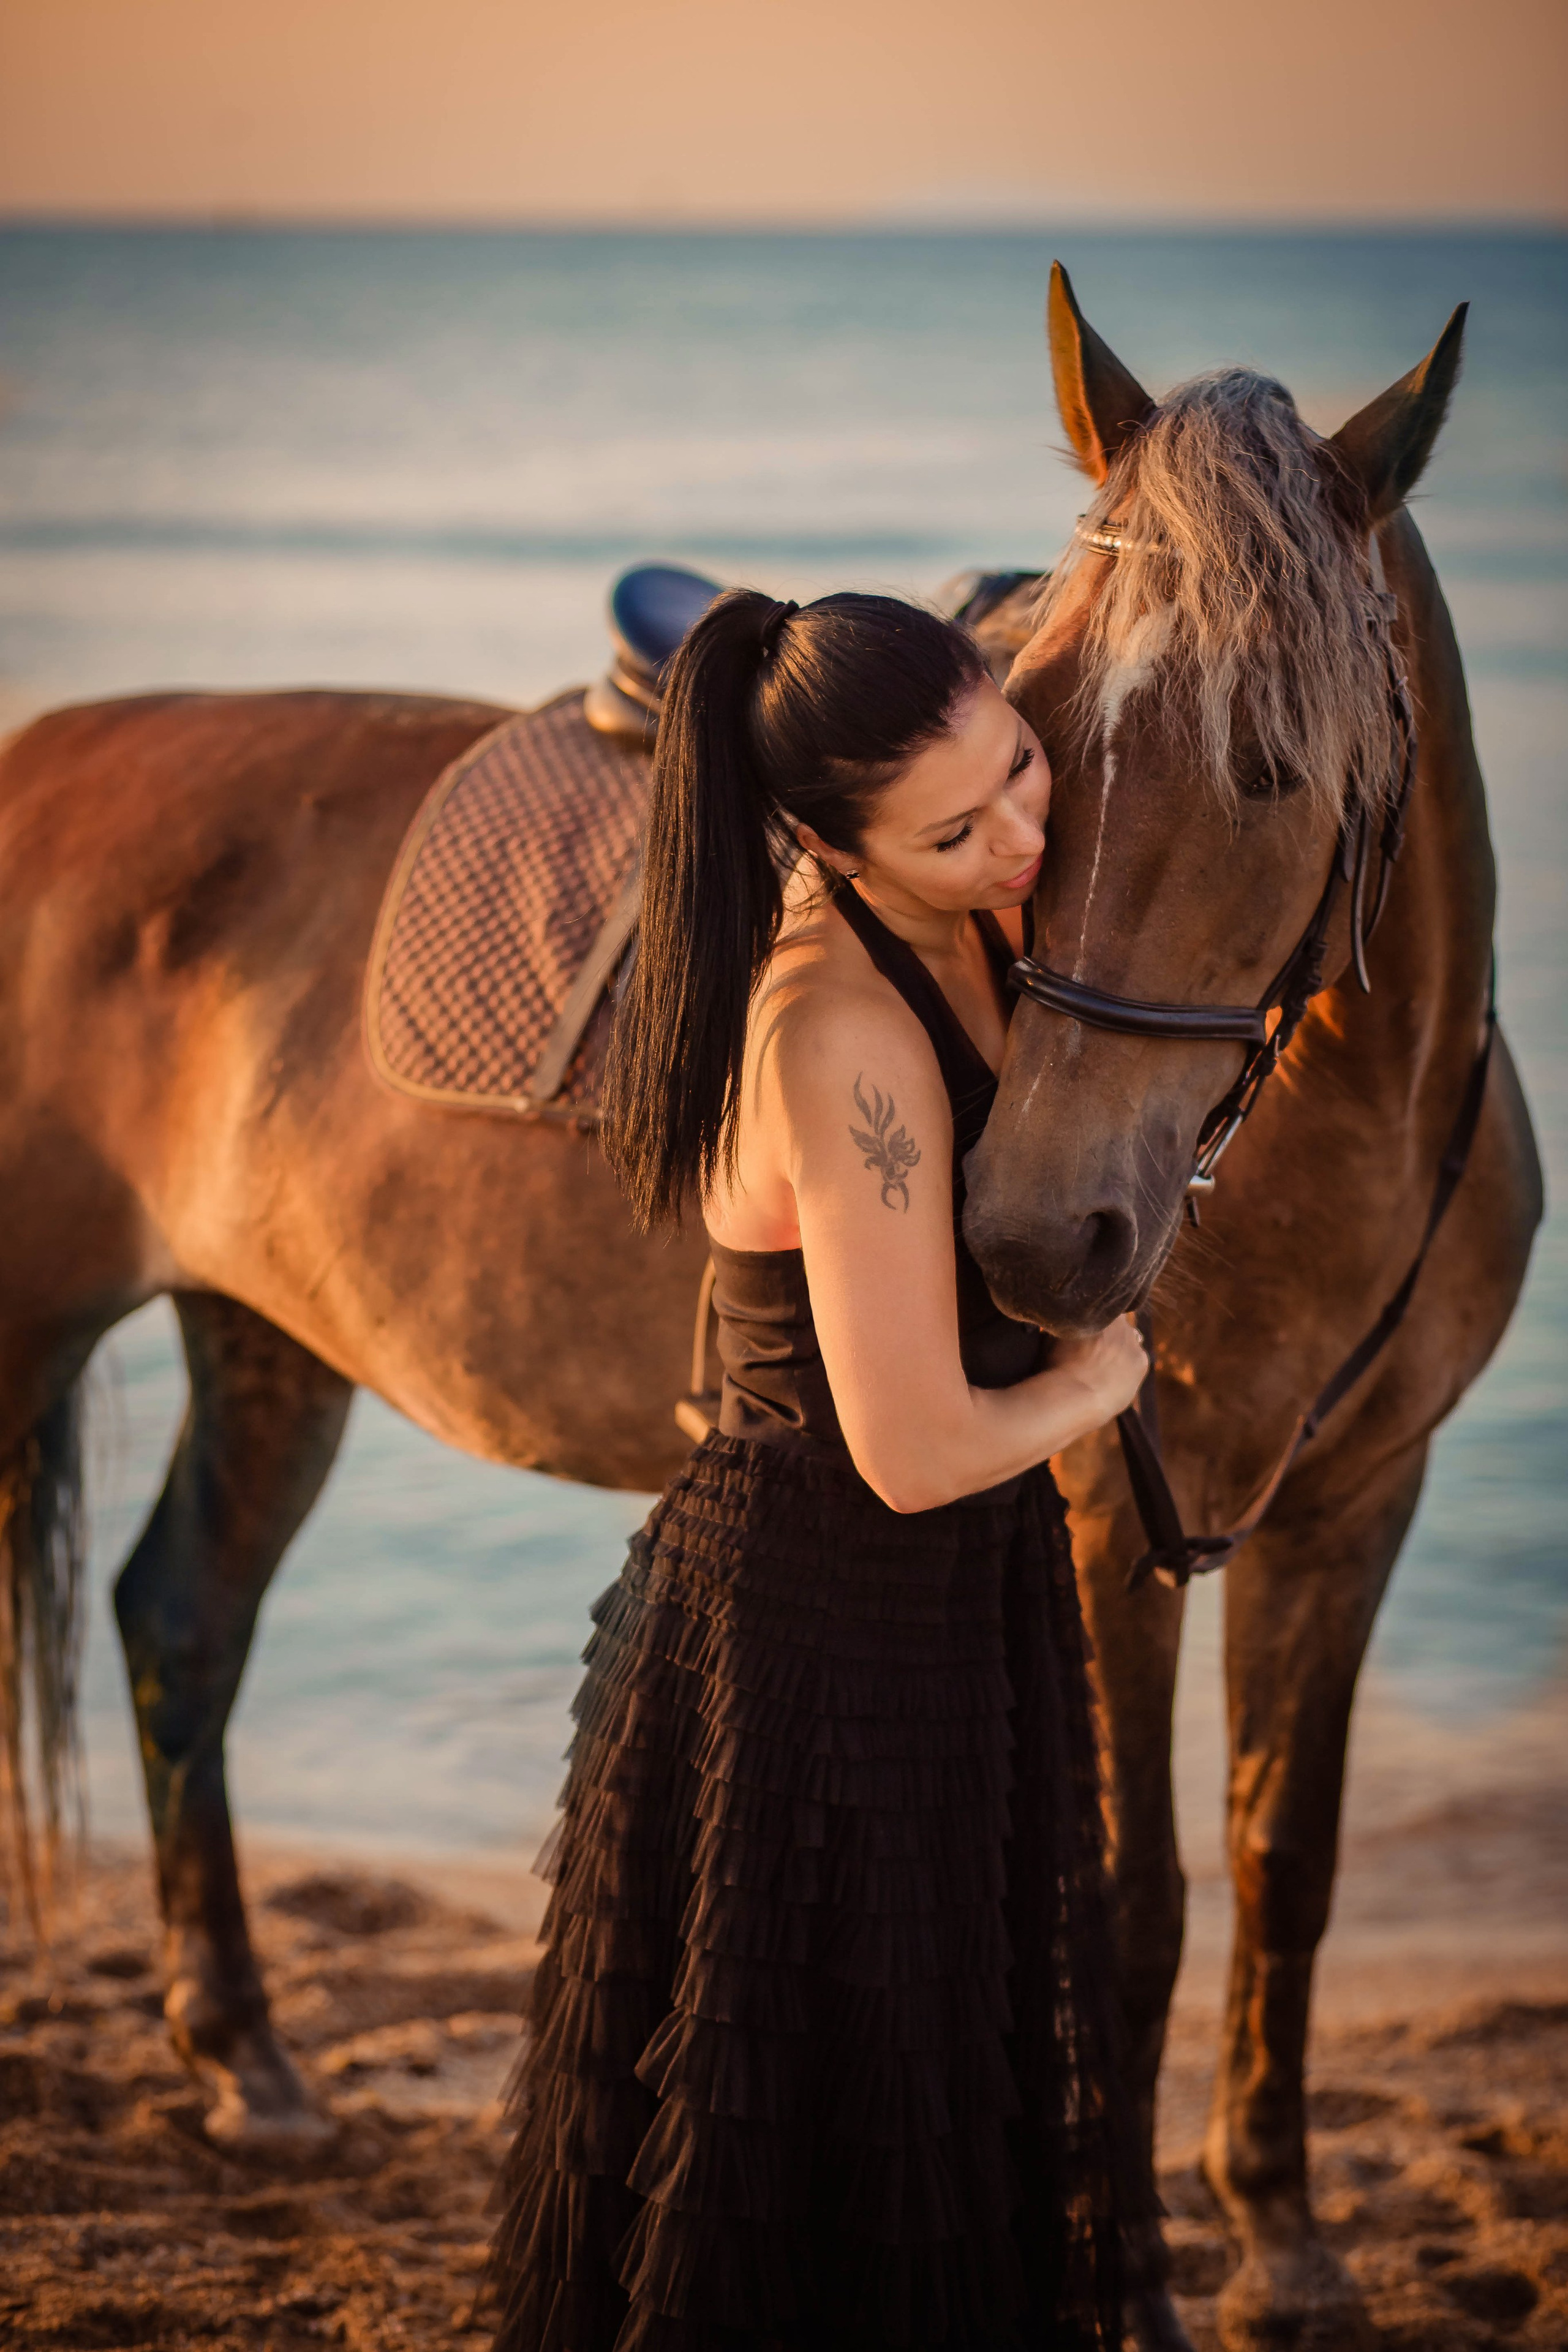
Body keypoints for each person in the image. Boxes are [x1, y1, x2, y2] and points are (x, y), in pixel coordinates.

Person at [488, 590, 1151, 2351]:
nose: (1021, 835)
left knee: (947, 2088)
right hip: (816, 1636)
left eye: (1020, 768)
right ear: (826, 843)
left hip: (949, 1606)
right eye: (954, 831)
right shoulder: (841, 1034)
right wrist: (1098, 1388)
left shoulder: (980, 908)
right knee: (822, 2155)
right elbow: (919, 1448)